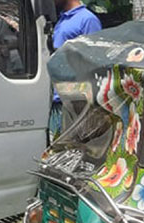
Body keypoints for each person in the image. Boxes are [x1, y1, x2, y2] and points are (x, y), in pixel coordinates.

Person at [48, 0, 102, 142]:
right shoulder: (61, 20)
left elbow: (94, 60)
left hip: (75, 101)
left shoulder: (87, 20)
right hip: (57, 99)